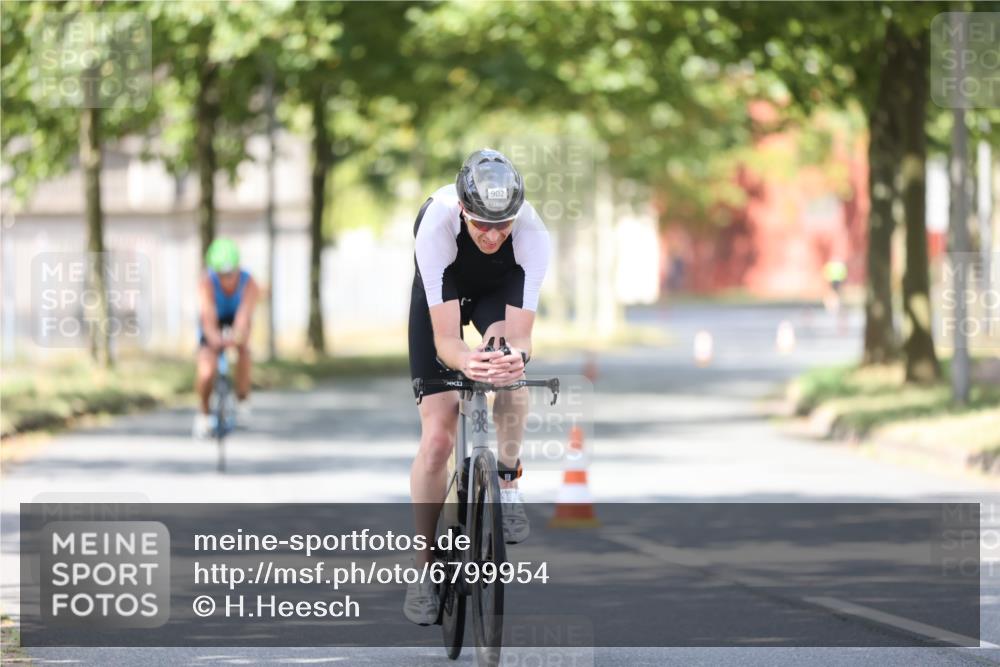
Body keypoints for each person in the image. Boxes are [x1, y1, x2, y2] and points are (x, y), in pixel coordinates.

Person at [403, 149, 551, 625]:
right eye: (481, 224)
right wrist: (466, 361)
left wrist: (509, 359)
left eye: (502, 224)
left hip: (497, 292)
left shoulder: (532, 235)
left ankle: (507, 481)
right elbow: (446, 339)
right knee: (438, 438)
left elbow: (523, 335)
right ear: (464, 210)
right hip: (442, 292)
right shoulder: (436, 225)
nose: (491, 234)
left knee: (511, 372)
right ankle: (424, 571)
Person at [192, 238, 260, 439]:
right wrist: (214, 340)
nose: (227, 280)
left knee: (245, 353)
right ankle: (203, 414)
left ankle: (242, 399)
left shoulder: (249, 283)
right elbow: (207, 315)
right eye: (221, 275)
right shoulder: (206, 283)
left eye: (231, 274)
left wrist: (237, 337)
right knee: (206, 371)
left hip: (236, 318)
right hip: (213, 321)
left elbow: (244, 315)